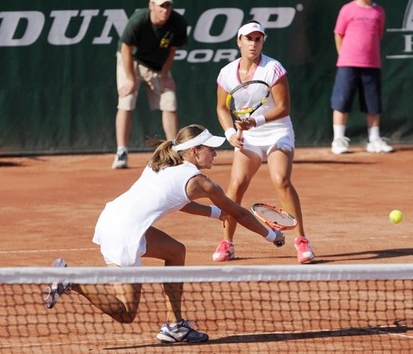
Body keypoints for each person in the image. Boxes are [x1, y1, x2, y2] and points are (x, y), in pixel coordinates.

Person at [44, 124, 285, 344]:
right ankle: (72, 279)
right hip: (125, 233)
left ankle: (174, 326)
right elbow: (240, 213)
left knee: (176, 251)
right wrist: (272, 236)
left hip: (113, 218)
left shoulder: (161, 162)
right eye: (210, 148)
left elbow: (179, 200)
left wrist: (214, 213)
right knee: (126, 312)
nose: (215, 153)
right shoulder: (201, 182)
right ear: (194, 151)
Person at [212, 21, 315, 264]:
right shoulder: (227, 73)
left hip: (277, 131)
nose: (253, 43)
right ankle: (227, 243)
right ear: (239, 41)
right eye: (248, 39)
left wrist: (255, 121)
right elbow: (221, 108)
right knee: (236, 185)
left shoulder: (273, 68)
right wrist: (230, 134)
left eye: (258, 39)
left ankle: (302, 241)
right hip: (248, 137)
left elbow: (284, 107)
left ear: (262, 42)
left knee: (281, 179)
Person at [112, 0, 188, 169]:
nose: (165, 10)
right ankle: (121, 151)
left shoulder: (178, 23)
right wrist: (130, 79)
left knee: (169, 101)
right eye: (161, 6)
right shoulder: (138, 21)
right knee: (126, 101)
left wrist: (164, 75)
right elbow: (125, 49)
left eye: (168, 6)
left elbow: (172, 51)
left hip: (157, 67)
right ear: (151, 6)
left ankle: (172, 151)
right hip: (131, 62)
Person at [329, 0, 393, 155]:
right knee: (341, 102)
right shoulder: (347, 10)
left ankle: (374, 140)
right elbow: (338, 34)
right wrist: (344, 56)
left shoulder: (379, 11)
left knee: (373, 104)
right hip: (348, 64)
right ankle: (338, 140)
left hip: (372, 64)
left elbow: (378, 34)